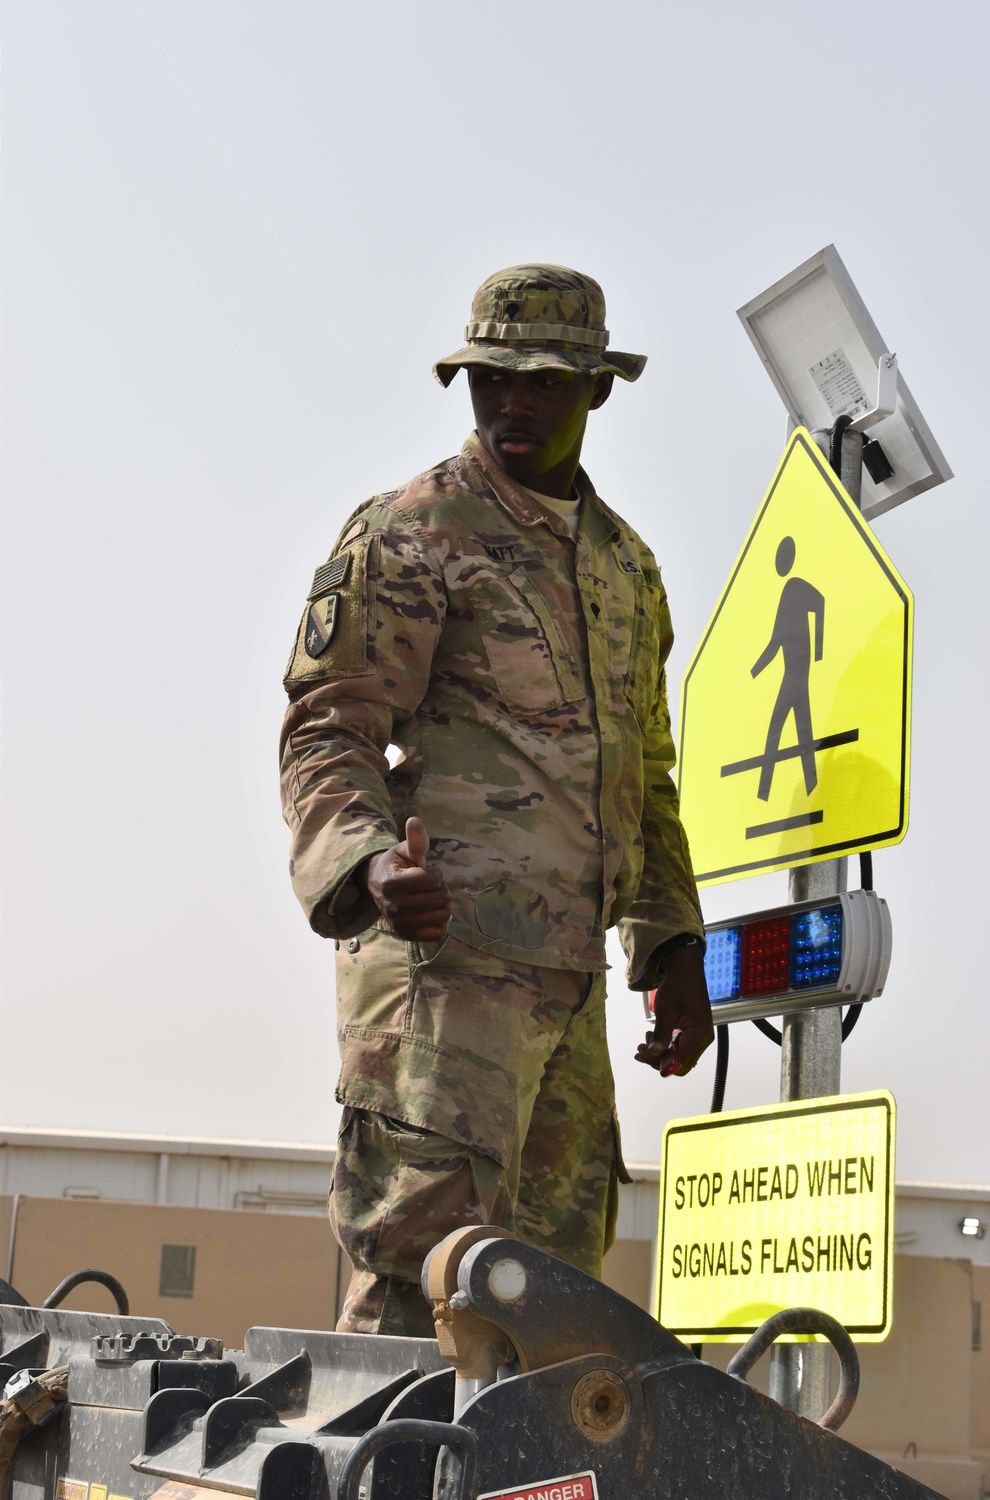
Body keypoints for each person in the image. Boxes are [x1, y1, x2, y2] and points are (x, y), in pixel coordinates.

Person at [280, 263, 713, 1337]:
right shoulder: (413, 531)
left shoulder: (626, 568)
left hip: (566, 991)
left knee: (545, 1302)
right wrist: (370, 864)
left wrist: (672, 947)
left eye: (544, 384)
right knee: (418, 1277)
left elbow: (644, 775)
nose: (513, 402)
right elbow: (328, 727)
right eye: (492, 380)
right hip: (440, 973)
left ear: (596, 390)